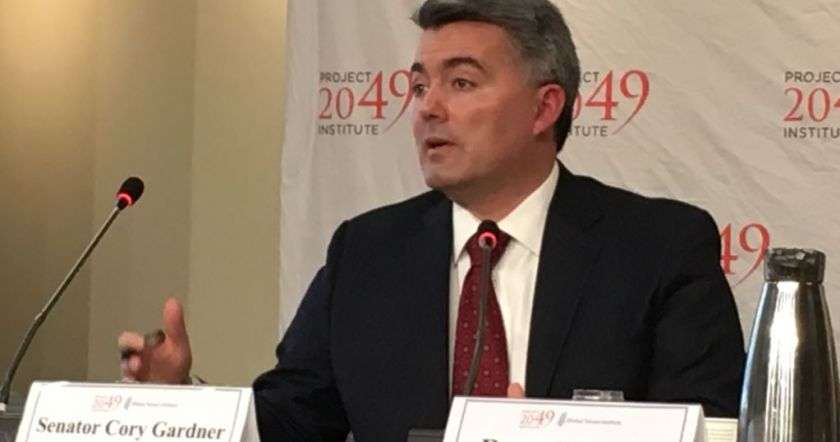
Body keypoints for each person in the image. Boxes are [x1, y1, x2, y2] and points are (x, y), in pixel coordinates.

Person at [119, 1, 745, 441]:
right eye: (420, 87)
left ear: (544, 107)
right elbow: (295, 420)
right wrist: (184, 403)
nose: (427, 109)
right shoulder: (367, 252)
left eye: (462, 83)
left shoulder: (657, 249)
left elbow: (710, 427)